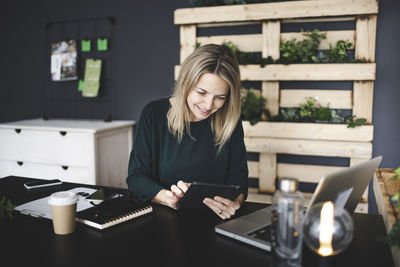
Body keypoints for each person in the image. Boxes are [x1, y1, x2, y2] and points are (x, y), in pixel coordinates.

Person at [126, 44, 248, 219]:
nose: (208, 105)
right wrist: (168, 198)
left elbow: (239, 179)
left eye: (220, 97)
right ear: (185, 83)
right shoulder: (153, 114)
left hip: (215, 221)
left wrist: (235, 201)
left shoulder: (230, 120)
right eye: (201, 92)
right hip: (162, 220)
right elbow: (136, 178)